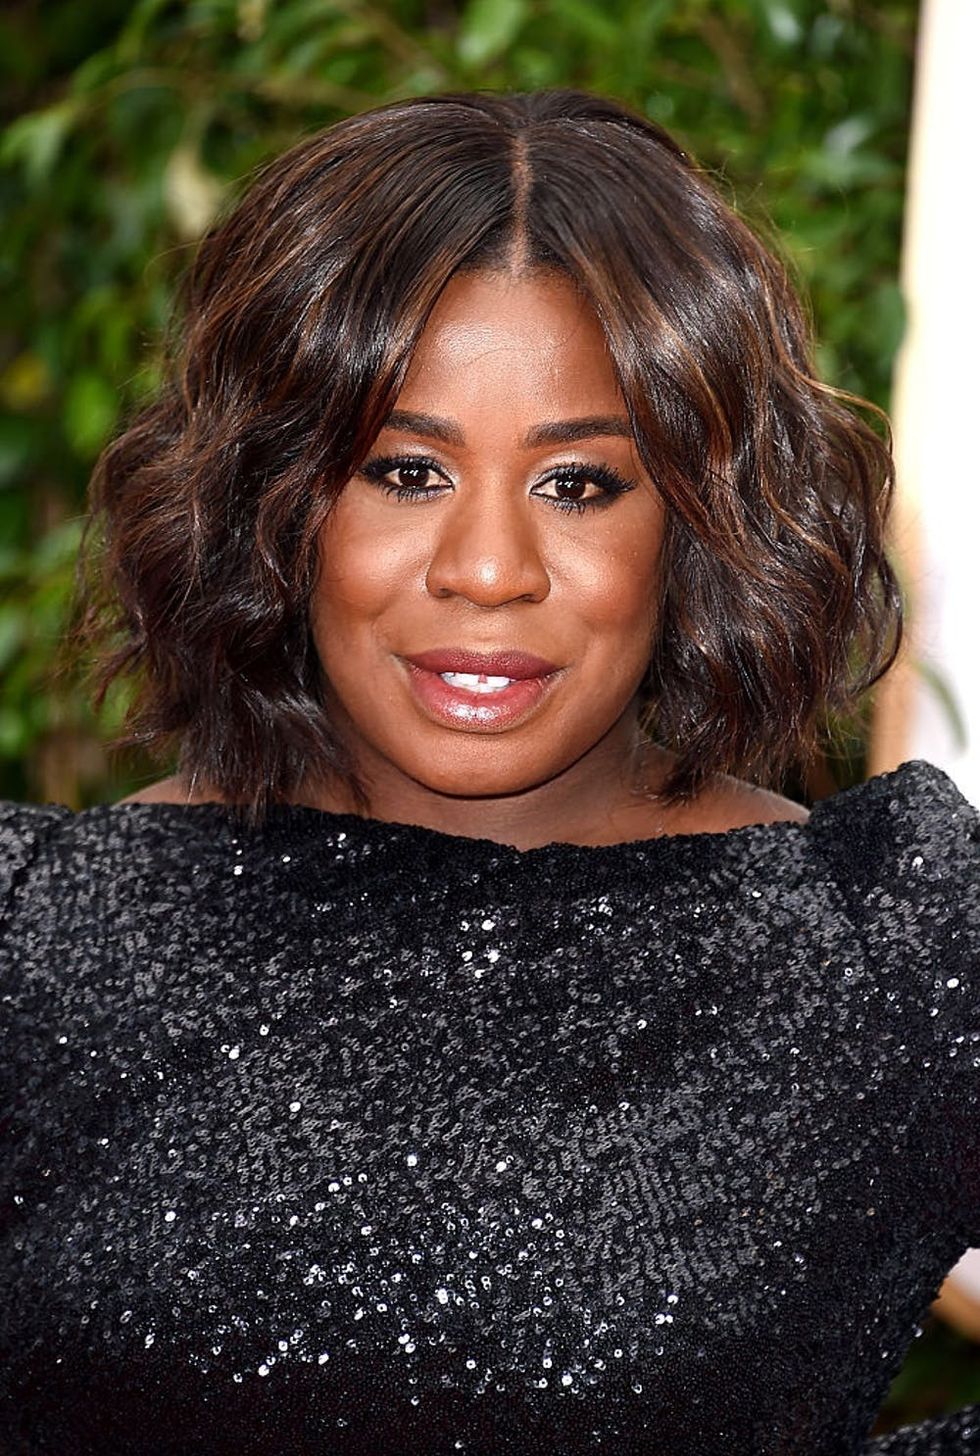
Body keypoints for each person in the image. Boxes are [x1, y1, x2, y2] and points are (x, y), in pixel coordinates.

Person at [0, 88, 977, 1456]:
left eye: (580, 485)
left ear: (697, 523)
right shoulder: (38, 937)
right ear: (278, 500)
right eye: (406, 472)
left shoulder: (883, 951)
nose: (488, 569)